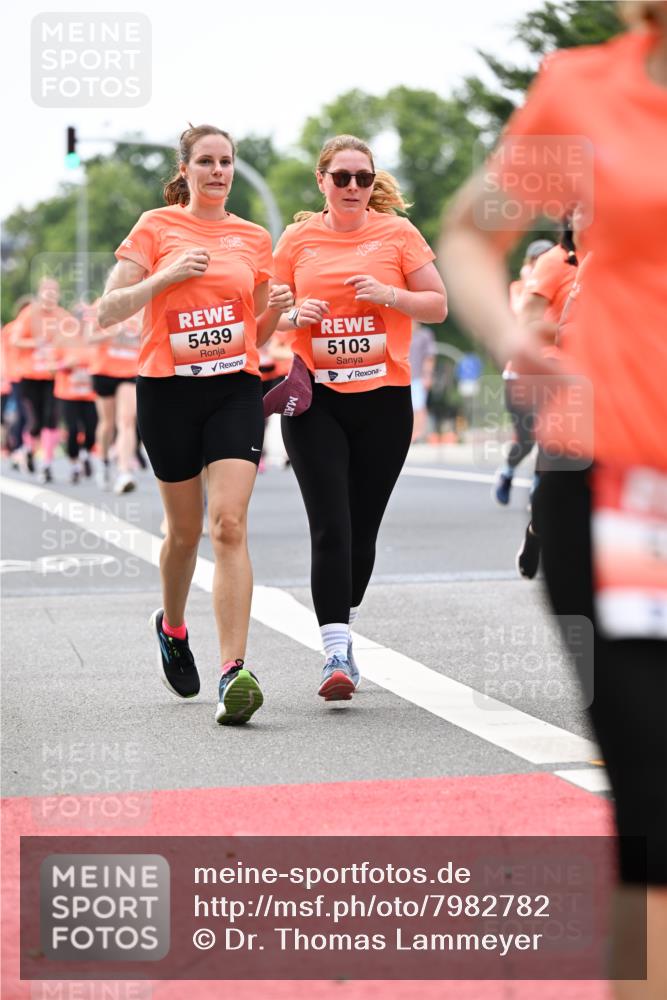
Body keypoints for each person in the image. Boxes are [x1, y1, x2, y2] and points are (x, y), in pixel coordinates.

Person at [439, 4, 667, 996]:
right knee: (654, 795)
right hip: (618, 479)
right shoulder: (583, 91)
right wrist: (511, 336)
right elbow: (468, 233)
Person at [97, 124, 293, 726]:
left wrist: (274, 316)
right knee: (184, 533)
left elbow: (253, 334)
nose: (217, 171)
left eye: (226, 161)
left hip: (235, 388)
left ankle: (234, 671)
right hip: (167, 392)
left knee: (228, 525)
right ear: (185, 171)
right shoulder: (156, 228)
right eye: (205, 161)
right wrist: (166, 277)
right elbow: (108, 311)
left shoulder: (254, 237)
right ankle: (173, 627)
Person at [273, 134, 446, 701]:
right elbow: (267, 314)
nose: (353, 187)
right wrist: (295, 311)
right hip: (315, 401)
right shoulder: (297, 239)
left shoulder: (397, 233)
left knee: (361, 534)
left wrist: (388, 294)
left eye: (363, 178)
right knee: (331, 526)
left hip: (384, 403)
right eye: (342, 177)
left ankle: (341, 608)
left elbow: (438, 306)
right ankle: (336, 654)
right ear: (321, 181)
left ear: (373, 184)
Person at [494, 238, 554, 505]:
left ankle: (539, 489)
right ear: (528, 264)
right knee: (527, 437)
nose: (541, 265)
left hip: (551, 371)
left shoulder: (559, 284)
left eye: (546, 260)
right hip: (519, 374)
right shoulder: (519, 288)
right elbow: (521, 317)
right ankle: (507, 471)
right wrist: (534, 282)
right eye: (536, 261)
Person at [10, 277, 76, 483]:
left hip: (52, 376)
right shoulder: (30, 314)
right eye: (46, 290)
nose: (50, 294)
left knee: (51, 418)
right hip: (30, 376)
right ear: (40, 292)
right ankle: (29, 449)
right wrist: (35, 342)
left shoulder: (63, 317)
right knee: (35, 421)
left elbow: (73, 344)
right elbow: (15, 340)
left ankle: (46, 463)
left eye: (54, 291)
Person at [86, 300, 141, 494]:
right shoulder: (101, 305)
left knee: (126, 420)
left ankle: (124, 471)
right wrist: (111, 333)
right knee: (106, 424)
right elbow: (88, 338)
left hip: (130, 370)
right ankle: (103, 461)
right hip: (104, 370)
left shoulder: (143, 303)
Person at [53, 310, 97, 484]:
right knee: (72, 429)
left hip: (89, 395)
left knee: (91, 430)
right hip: (67, 394)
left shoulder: (94, 342)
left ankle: (85, 454)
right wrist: (65, 364)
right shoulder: (62, 341)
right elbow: (50, 367)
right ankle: (74, 466)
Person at [408, 322, 436, 442]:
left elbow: (429, 357)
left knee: (418, 407)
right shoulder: (401, 332)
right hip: (404, 378)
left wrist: (427, 376)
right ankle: (410, 434)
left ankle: (417, 434)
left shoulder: (424, 335)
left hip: (418, 377)